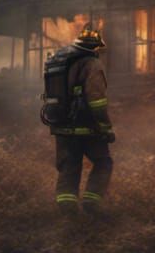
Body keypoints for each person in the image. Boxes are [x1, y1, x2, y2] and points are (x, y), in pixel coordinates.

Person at [48, 24, 115, 216]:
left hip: (61, 125)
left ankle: (67, 210)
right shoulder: (92, 64)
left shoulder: (61, 62)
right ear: (95, 46)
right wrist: (106, 127)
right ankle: (91, 202)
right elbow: (97, 100)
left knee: (69, 165)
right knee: (103, 162)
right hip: (87, 127)